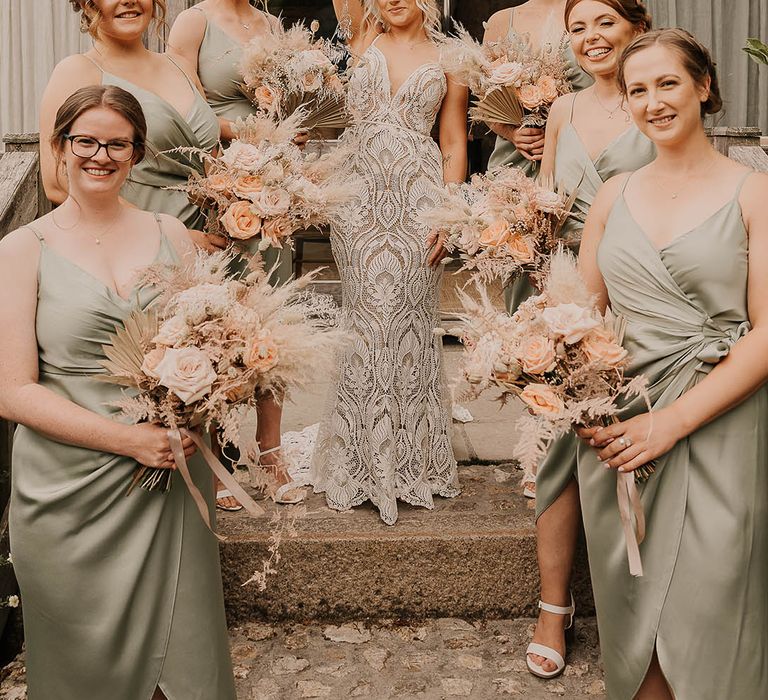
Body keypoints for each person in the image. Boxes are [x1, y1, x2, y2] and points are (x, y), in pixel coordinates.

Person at [0, 85, 236, 700]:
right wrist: (127, 439)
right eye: (85, 141)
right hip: (67, 483)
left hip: (169, 476)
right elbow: (11, 391)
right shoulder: (22, 251)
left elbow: (215, 344)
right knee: (82, 664)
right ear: (59, 148)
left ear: (137, 154)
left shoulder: (173, 236)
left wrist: (214, 387)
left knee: (184, 657)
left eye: (117, 144)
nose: (100, 156)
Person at [577, 28, 768, 699]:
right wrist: (558, 387)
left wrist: (674, 422)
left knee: (714, 611)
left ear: (703, 86)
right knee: (636, 633)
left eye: (668, 84)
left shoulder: (755, 193)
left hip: (720, 424)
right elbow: (571, 324)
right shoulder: (611, 196)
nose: (653, 102)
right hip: (622, 435)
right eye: (638, 89)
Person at [523, 0, 654, 680]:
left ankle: (640, 599)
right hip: (572, 291)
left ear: (637, 25)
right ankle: (554, 607)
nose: (591, 38)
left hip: (644, 288)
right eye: (577, 27)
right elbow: (547, 206)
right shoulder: (563, 111)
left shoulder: (657, 95)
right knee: (561, 446)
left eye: (605, 21)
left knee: (629, 439)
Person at [310, 0, 467, 525]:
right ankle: (358, 460)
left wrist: (451, 211)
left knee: (407, 322)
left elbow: (451, 141)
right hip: (358, 198)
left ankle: (408, 460)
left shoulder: (452, 56)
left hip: (419, 198)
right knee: (367, 318)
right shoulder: (359, 37)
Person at [167, 0, 306, 508]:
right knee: (215, 321)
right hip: (218, 188)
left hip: (273, 189)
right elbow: (183, 109)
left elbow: (285, 106)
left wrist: (292, 129)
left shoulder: (272, 24)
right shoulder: (193, 22)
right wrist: (245, 136)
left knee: (274, 321)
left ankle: (270, 449)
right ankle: (218, 453)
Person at [41, 0, 223, 244]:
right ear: (87, 4)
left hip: (214, 244)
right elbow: (57, 183)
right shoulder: (77, 71)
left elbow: (211, 157)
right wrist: (167, 235)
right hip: (132, 245)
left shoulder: (180, 66)